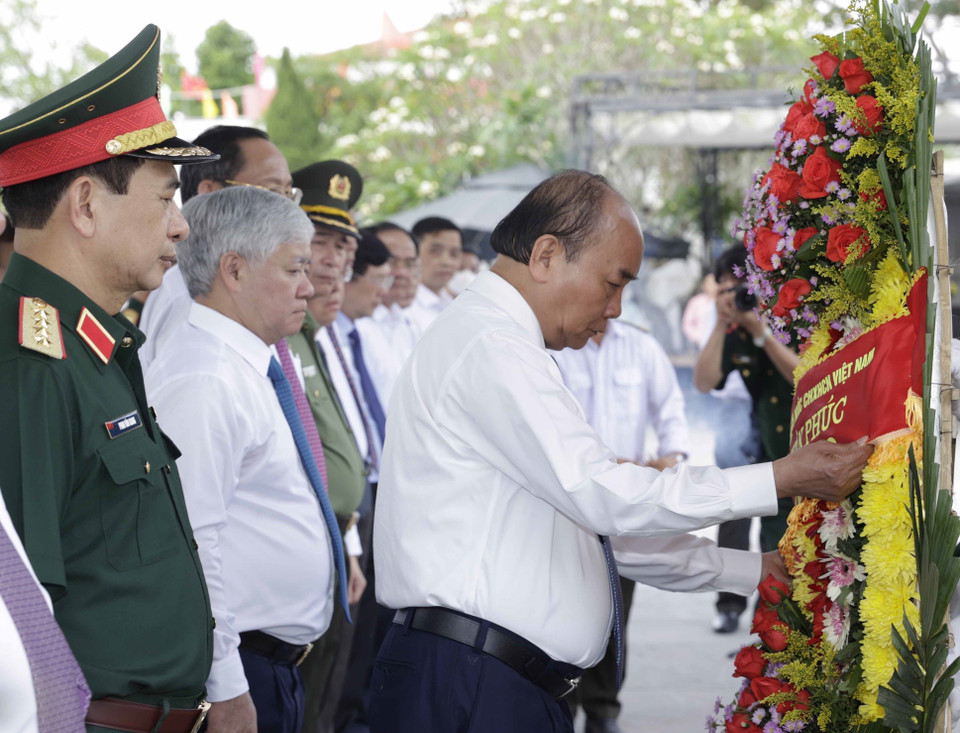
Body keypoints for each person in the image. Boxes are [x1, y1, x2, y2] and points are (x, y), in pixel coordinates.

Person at [369, 170, 872, 733]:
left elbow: (602, 537)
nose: (615, 308)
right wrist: (778, 478)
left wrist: (756, 569)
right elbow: (604, 496)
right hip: (471, 682)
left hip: (489, 678)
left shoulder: (503, 343)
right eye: (613, 283)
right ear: (546, 256)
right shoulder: (491, 345)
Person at [0, 25, 220, 733]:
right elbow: (20, 606)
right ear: (88, 205)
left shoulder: (95, 346)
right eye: (164, 198)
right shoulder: (30, 361)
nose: (181, 226)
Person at [146, 186, 348, 733]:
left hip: (269, 667)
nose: (309, 286)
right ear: (233, 270)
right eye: (294, 268)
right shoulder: (206, 378)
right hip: (240, 675)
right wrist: (229, 687)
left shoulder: (244, 364)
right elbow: (191, 545)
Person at [554, 316, 690, 733]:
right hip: (565, 503)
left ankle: (603, 709)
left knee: (615, 610)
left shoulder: (640, 346)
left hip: (622, 507)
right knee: (561, 608)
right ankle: (563, 705)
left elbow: (671, 413)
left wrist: (671, 460)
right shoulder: (555, 345)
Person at [285, 159, 369, 733]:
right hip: (301, 541)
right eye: (320, 239)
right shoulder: (282, 331)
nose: (334, 257)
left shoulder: (316, 333)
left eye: (343, 243)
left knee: (329, 689)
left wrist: (352, 544)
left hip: (338, 537)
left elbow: (346, 444)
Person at [694, 245, 800, 627]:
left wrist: (762, 333)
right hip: (770, 462)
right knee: (772, 554)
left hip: (805, 456)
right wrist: (723, 322)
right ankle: (750, 621)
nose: (741, 298)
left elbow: (806, 378)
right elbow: (703, 381)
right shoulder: (735, 329)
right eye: (729, 290)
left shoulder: (793, 318)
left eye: (742, 287)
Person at [138, 125, 298, 370]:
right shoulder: (189, 297)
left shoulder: (249, 283)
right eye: (273, 191)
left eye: (289, 193)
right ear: (210, 194)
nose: (288, 209)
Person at [355, 221, 422, 408]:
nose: (401, 273)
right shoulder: (353, 323)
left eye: (409, 264)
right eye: (391, 262)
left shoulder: (407, 323)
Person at [406, 216, 462, 334]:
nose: (447, 261)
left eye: (454, 253)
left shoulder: (455, 304)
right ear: (413, 252)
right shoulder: (404, 307)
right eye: (436, 251)